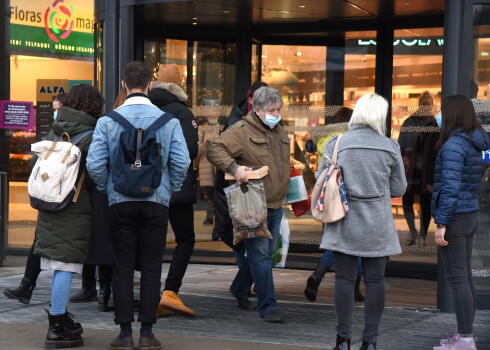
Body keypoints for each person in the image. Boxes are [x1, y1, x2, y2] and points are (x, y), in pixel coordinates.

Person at [86, 61, 190, 350]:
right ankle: (146, 334)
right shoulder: (168, 121)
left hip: (120, 201)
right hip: (156, 201)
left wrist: (110, 188)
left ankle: (123, 334)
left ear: (123, 86)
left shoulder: (107, 122)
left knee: (121, 267)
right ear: (150, 86)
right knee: (152, 266)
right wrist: (169, 189)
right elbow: (181, 162)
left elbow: (94, 164)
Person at [317, 93, 407, 350]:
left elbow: (321, 178)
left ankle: (343, 341)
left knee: (344, 279)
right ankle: (370, 342)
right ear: (380, 115)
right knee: (376, 281)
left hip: (344, 219)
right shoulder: (390, 146)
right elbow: (399, 188)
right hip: (377, 223)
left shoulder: (337, 143)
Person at [206, 86, 290, 323]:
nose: (276, 113)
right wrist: (235, 168)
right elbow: (214, 148)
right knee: (261, 255)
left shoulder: (279, 130)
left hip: (275, 203)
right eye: (272, 109)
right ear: (258, 109)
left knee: (264, 253)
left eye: (278, 109)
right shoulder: (242, 130)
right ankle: (268, 306)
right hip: (252, 201)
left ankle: (239, 287)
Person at [32, 84, 105, 349]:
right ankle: (56, 327)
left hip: (49, 204)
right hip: (74, 207)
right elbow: (97, 172)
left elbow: (35, 165)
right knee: (65, 266)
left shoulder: (55, 128)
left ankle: (62, 318)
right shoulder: (94, 132)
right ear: (94, 105)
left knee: (57, 264)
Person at [432, 95, 489, 350]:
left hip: (455, 218)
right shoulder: (474, 140)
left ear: (452, 114)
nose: (439, 116)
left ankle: (465, 339)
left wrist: (441, 222)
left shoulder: (454, 144)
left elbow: (451, 186)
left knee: (458, 279)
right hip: (469, 214)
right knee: (464, 277)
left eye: (442, 112)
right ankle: (464, 334)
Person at [148, 63, 199, 318]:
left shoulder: (144, 108)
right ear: (179, 86)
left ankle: (150, 295)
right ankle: (170, 292)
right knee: (185, 238)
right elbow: (188, 151)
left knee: (152, 241)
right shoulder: (182, 112)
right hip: (175, 188)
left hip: (145, 187)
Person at [303, 107, 365, 304]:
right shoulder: (351, 138)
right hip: (352, 195)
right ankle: (354, 287)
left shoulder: (324, 139)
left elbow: (319, 171)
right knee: (359, 244)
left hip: (331, 196)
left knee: (337, 240)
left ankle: (317, 275)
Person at [398, 91, 437, 246]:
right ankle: (412, 231)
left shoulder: (435, 124)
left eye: (429, 105)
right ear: (419, 105)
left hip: (425, 168)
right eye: (424, 104)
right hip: (410, 168)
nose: (426, 107)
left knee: (425, 202)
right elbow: (401, 144)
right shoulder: (409, 122)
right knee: (407, 199)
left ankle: (422, 233)